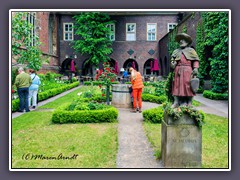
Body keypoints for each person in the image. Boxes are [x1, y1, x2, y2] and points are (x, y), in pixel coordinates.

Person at [170, 33, 200, 108]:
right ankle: (176, 102)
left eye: (183, 40)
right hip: (178, 71)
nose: (181, 41)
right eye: (180, 40)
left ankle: (189, 102)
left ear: (187, 41)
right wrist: (173, 64)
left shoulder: (191, 51)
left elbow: (196, 60)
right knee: (176, 86)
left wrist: (195, 68)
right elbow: (173, 62)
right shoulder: (176, 51)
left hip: (188, 71)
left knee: (188, 86)